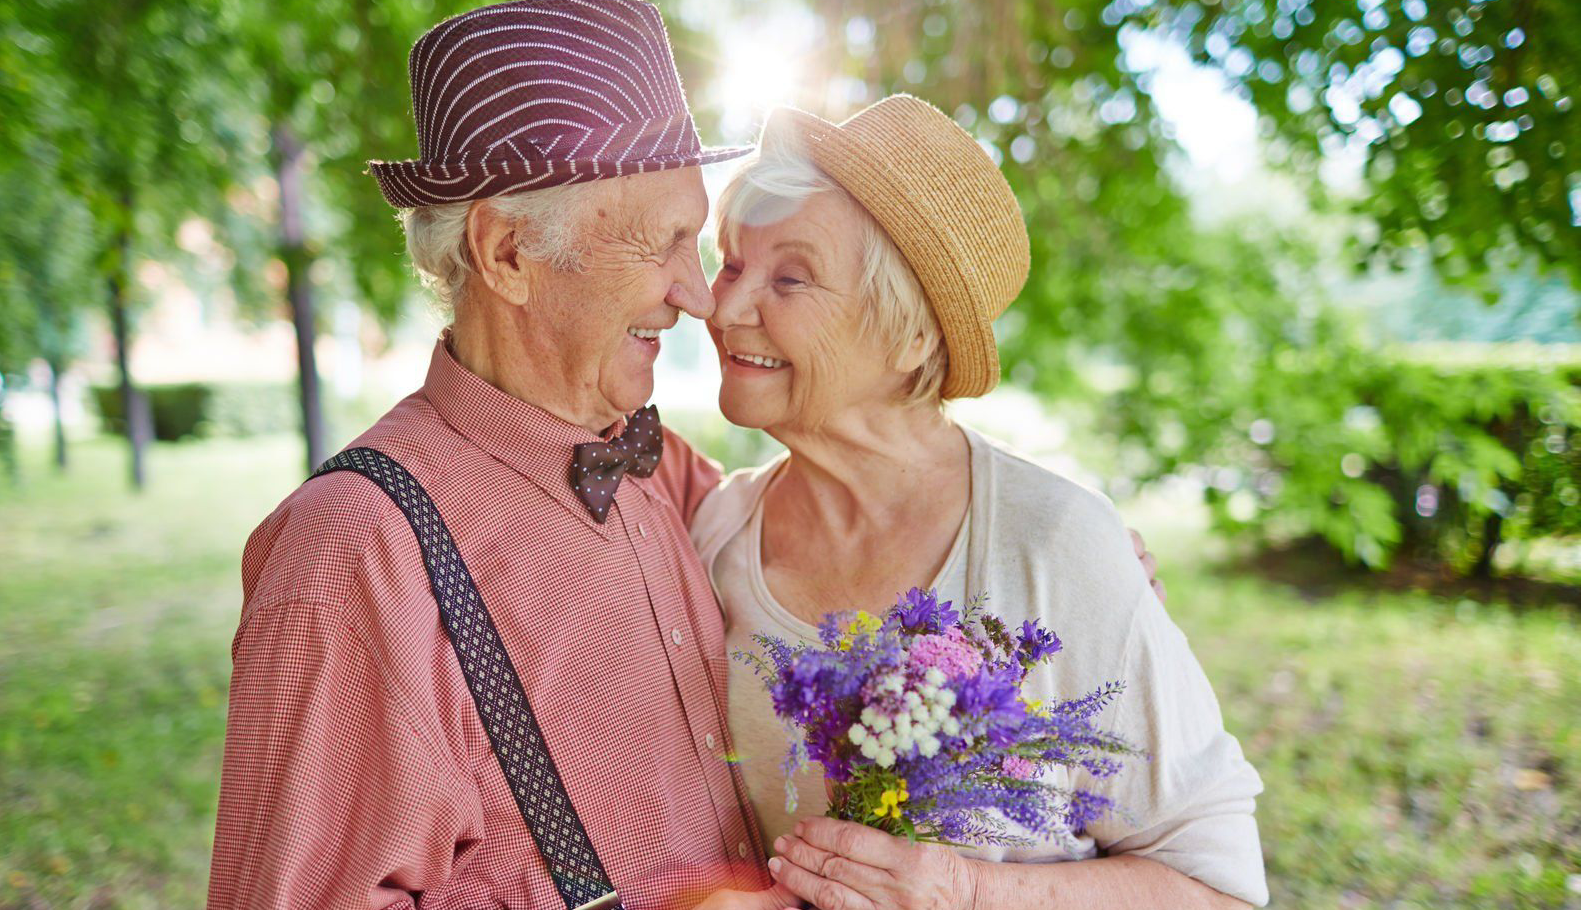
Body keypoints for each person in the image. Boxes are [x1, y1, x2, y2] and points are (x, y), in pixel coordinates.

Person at [206, 3, 779, 907]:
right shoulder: (355, 553)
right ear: (507, 252)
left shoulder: (657, 467)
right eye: (662, 242)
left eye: (695, 240)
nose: (698, 295)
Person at [688, 96, 1269, 909]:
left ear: (912, 334)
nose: (723, 307)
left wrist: (963, 890)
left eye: (790, 276)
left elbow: (1220, 886)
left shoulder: (1055, 543)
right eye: (732, 263)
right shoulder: (715, 531)